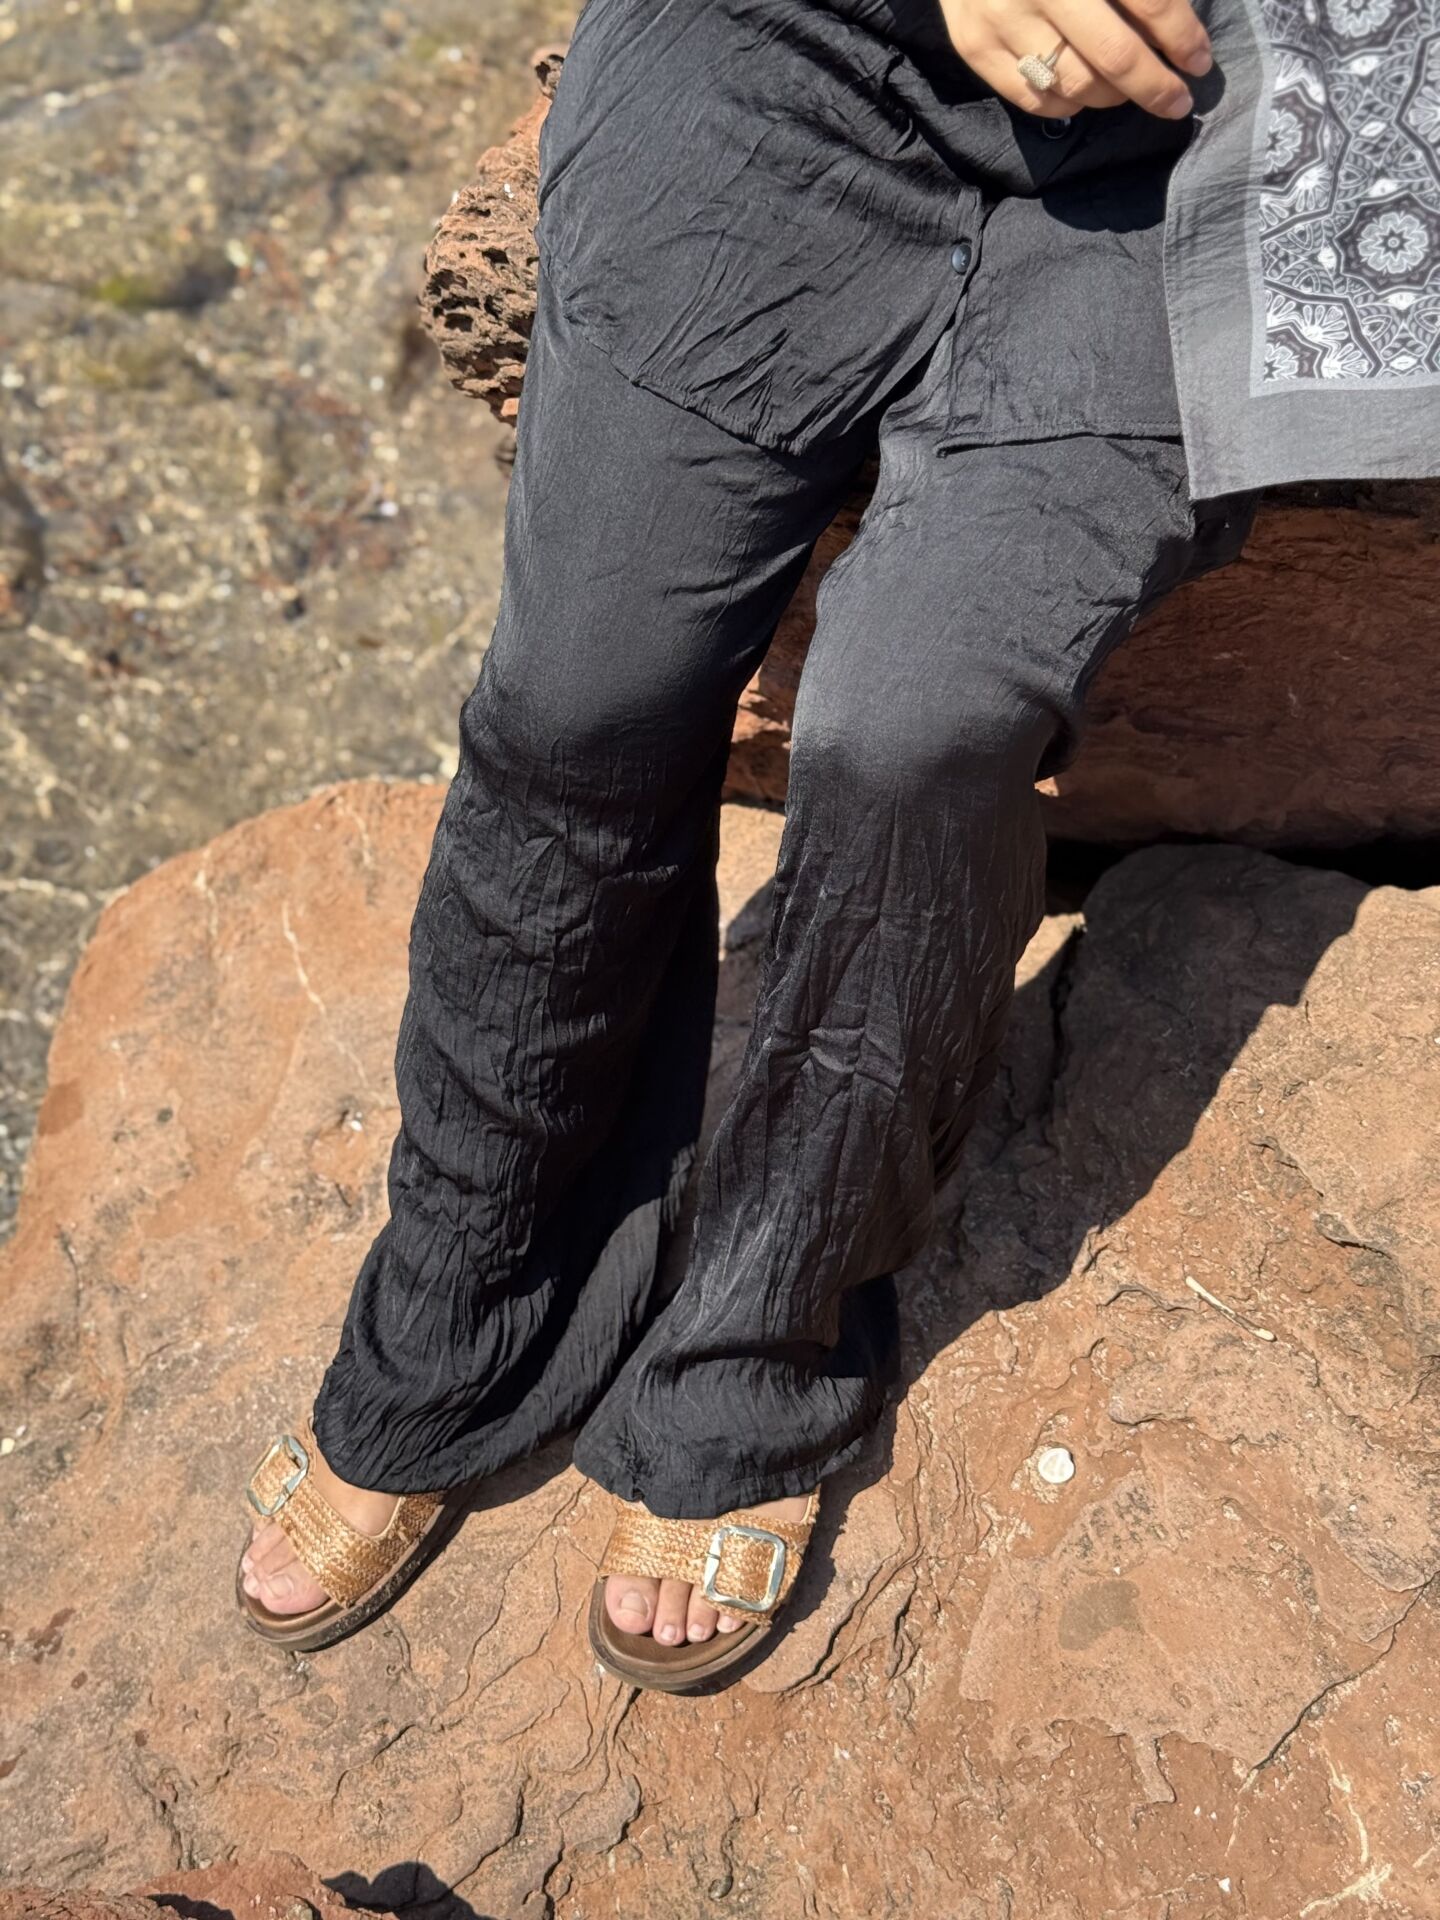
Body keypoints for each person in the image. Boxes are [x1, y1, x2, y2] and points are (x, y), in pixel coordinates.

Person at [234, 0, 1440, 1690]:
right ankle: (455, 1304)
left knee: (914, 738)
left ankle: (760, 1344)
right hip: (787, 53)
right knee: (575, 709)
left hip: (1249, 127)